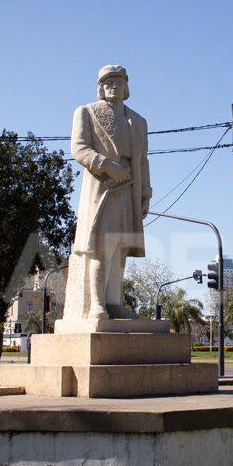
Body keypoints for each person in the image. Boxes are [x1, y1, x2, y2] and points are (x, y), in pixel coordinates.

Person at [61, 64, 152, 322]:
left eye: (118, 82)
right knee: (102, 246)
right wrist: (106, 165)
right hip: (103, 187)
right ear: (100, 87)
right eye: (108, 82)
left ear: (126, 87)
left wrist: (145, 192)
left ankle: (114, 302)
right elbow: (79, 148)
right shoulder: (86, 112)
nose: (114, 86)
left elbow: (143, 160)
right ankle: (97, 304)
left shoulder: (139, 121)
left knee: (121, 246)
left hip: (129, 189)